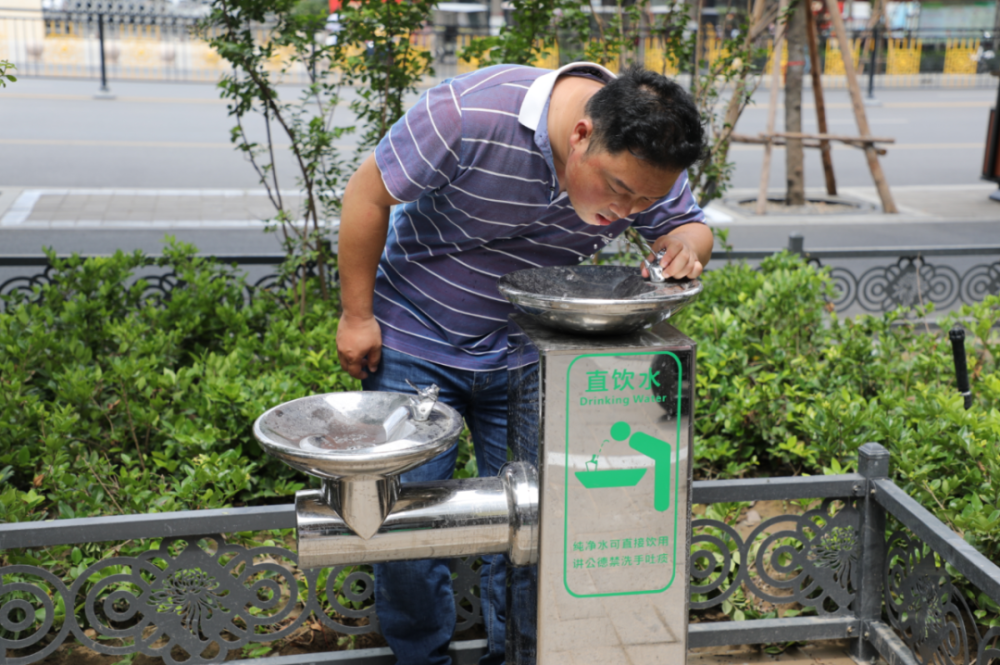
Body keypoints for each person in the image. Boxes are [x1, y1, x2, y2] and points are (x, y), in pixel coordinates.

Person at [335, 61, 713, 665]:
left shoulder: (643, 144)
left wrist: (683, 249)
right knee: (407, 523)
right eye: (619, 190)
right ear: (581, 135)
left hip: (532, 354)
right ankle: (422, 659)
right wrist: (357, 316)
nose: (629, 211)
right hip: (417, 342)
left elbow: (687, 227)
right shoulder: (468, 114)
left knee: (537, 527)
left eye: (646, 198)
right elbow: (367, 193)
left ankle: (521, 656)